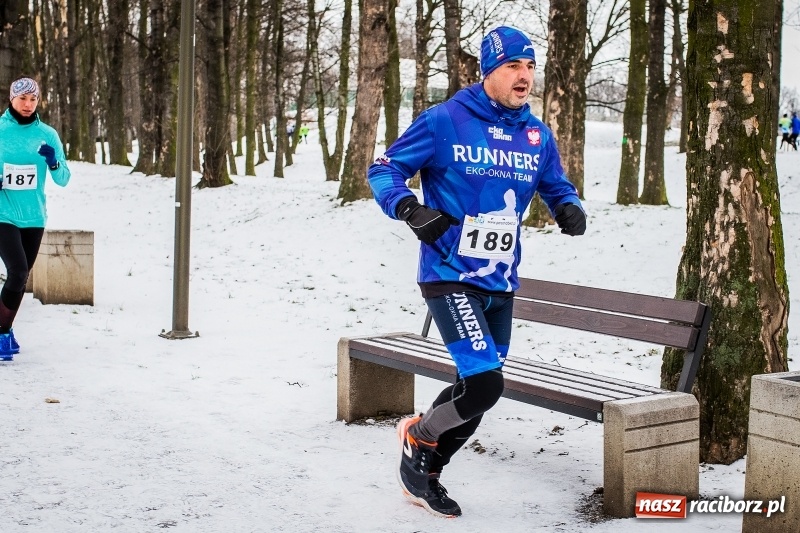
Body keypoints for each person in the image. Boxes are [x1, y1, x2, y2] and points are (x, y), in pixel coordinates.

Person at [367, 26, 585, 518]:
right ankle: (419, 436)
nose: (524, 76)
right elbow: (383, 168)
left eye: (529, 66)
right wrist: (409, 208)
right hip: (447, 272)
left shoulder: (536, 134)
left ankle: (424, 470)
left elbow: (555, 184)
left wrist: (568, 205)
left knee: (477, 389)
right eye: (512, 66)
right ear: (489, 72)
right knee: (487, 385)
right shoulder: (446, 120)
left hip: (500, 281)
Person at [0, 77, 71, 361]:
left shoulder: (48, 134)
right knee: (17, 270)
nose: (28, 105)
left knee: (21, 278)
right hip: (3, 214)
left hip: (34, 217)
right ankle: (3, 332)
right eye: (22, 99)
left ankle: (4, 329)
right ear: (11, 99)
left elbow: (63, 178)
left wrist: (54, 161)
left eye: (33, 99)